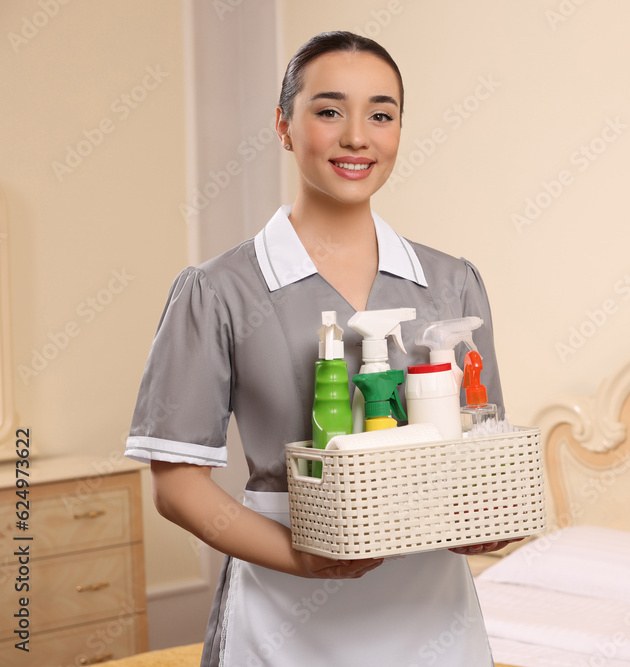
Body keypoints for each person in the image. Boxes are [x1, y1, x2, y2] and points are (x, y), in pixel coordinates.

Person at [126, 31, 514, 666]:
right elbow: (176, 485)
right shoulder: (218, 291)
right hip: (281, 611)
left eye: (381, 114)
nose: (358, 136)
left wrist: (489, 522)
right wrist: (302, 559)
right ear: (283, 125)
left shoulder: (453, 283)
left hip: (430, 613)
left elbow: (477, 454)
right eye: (329, 110)